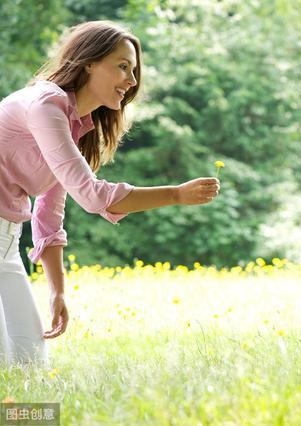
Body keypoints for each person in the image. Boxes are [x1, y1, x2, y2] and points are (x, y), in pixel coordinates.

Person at [0, 21, 220, 364]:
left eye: (133, 70)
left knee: (30, 365)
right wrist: (175, 195)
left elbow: (48, 216)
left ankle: (27, 421)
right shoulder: (45, 105)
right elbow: (92, 195)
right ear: (89, 61)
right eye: (122, 66)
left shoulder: (71, 127)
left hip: (7, 245)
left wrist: (57, 291)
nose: (131, 81)